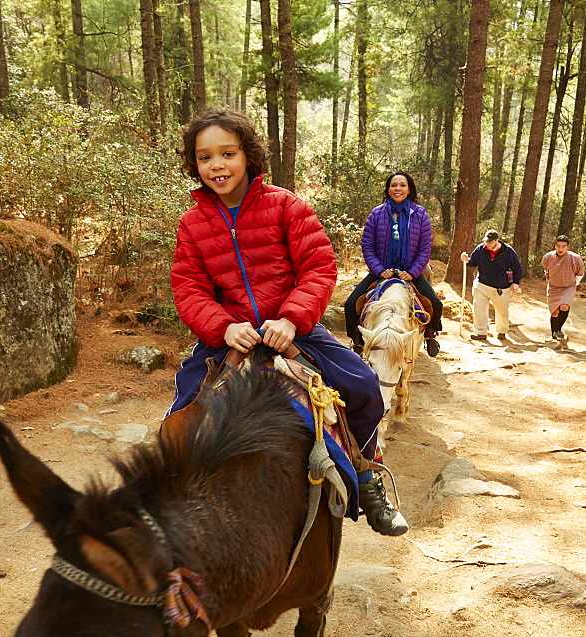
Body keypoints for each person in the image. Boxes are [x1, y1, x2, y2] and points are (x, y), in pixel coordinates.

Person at [167, 108, 408, 536]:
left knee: (365, 387)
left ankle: (368, 475)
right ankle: (169, 501)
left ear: (248, 156)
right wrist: (223, 327)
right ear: (195, 164)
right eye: (205, 158)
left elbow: (318, 267)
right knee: (179, 416)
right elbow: (188, 287)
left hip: (297, 332)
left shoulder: (286, 206)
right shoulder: (193, 223)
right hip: (229, 339)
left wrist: (292, 319)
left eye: (227, 153)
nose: (217, 165)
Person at [344, 171, 444, 357]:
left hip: (410, 272)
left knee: (435, 304)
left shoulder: (420, 214)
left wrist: (412, 273)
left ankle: (431, 335)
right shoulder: (377, 213)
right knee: (351, 305)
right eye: (394, 185)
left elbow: (424, 249)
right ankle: (358, 341)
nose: (398, 188)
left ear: (409, 189)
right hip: (381, 272)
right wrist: (380, 270)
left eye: (402, 185)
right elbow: (367, 245)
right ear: (388, 189)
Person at [460, 229, 522, 341]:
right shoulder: (480, 248)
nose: (488, 244)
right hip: (482, 284)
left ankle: (502, 331)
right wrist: (466, 260)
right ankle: (481, 333)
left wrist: (516, 282)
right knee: (479, 309)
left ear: (497, 240)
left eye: (491, 242)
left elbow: (517, 267)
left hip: (501, 287)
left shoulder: (508, 251)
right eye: (486, 242)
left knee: (502, 311)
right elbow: (473, 262)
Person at [542, 235, 585, 341]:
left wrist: (574, 284)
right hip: (553, 287)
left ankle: (558, 330)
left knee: (564, 306)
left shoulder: (575, 258)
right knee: (555, 312)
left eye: (563, 246)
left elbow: (580, 273)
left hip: (568, 286)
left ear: (568, 247)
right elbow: (546, 269)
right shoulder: (548, 257)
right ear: (555, 246)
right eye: (558, 246)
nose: (561, 249)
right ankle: (553, 335)